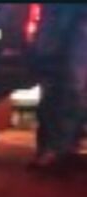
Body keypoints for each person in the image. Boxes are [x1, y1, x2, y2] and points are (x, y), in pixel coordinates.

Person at [29, 5, 87, 174]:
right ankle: (59, 149)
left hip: (62, 23)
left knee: (63, 88)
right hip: (67, 23)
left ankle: (56, 149)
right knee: (66, 89)